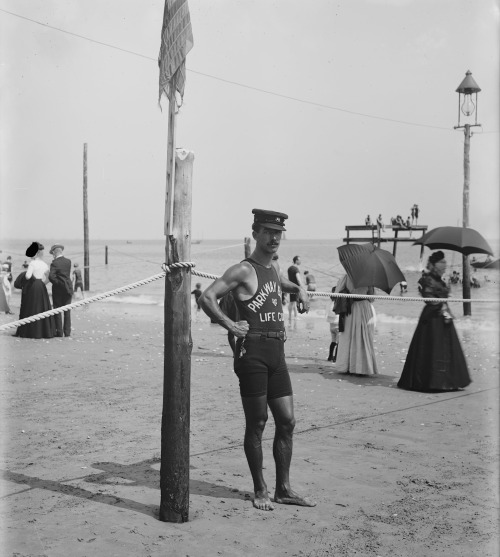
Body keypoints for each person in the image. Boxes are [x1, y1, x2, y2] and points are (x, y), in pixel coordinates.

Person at [199, 208, 315, 512]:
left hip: (278, 354)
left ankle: (283, 489)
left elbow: (277, 286)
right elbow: (206, 297)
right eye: (268, 232)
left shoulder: (272, 269)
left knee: (287, 421)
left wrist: (300, 289)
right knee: (258, 423)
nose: (275, 237)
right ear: (256, 234)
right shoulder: (243, 269)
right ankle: (260, 489)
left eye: (278, 233)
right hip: (253, 355)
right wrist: (231, 325)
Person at [398, 251, 471, 392]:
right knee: (431, 347)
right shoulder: (427, 279)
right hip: (432, 318)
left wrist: (445, 298)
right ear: (435, 265)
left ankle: (447, 380)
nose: (444, 266)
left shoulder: (440, 279)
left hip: (443, 316)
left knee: (445, 348)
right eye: (442, 264)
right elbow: (428, 298)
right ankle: (431, 381)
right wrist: (441, 304)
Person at [334, 274, 378, 376]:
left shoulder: (346, 276)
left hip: (350, 308)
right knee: (363, 337)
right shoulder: (369, 278)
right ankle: (361, 367)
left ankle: (346, 366)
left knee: (348, 336)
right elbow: (371, 298)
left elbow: (337, 293)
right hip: (364, 308)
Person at [16, 242, 55, 339]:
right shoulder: (45, 264)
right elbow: (49, 278)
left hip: (32, 287)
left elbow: (28, 276)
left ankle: (30, 331)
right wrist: (42, 283)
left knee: (31, 307)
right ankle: (43, 331)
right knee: (42, 308)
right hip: (41, 286)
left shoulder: (32, 263)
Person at [49, 244, 73, 337]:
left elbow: (51, 276)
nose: (52, 255)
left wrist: (58, 283)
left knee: (57, 310)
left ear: (55, 252)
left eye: (52, 253)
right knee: (67, 311)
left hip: (58, 290)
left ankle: (59, 332)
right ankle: (67, 332)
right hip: (68, 288)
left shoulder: (54, 263)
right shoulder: (68, 261)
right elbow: (65, 275)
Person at [287, 255, 303, 324]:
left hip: (291, 286)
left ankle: (291, 316)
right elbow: (298, 279)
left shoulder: (290, 268)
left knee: (293, 302)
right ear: (296, 260)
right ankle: (294, 317)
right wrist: (301, 287)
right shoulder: (296, 269)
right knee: (293, 302)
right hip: (296, 287)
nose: (300, 261)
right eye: (299, 260)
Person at [326, 287, 339, 362]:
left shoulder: (330, 300)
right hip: (337, 324)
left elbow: (328, 311)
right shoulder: (338, 301)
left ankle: (330, 356)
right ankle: (336, 357)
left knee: (333, 341)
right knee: (338, 342)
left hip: (331, 325)